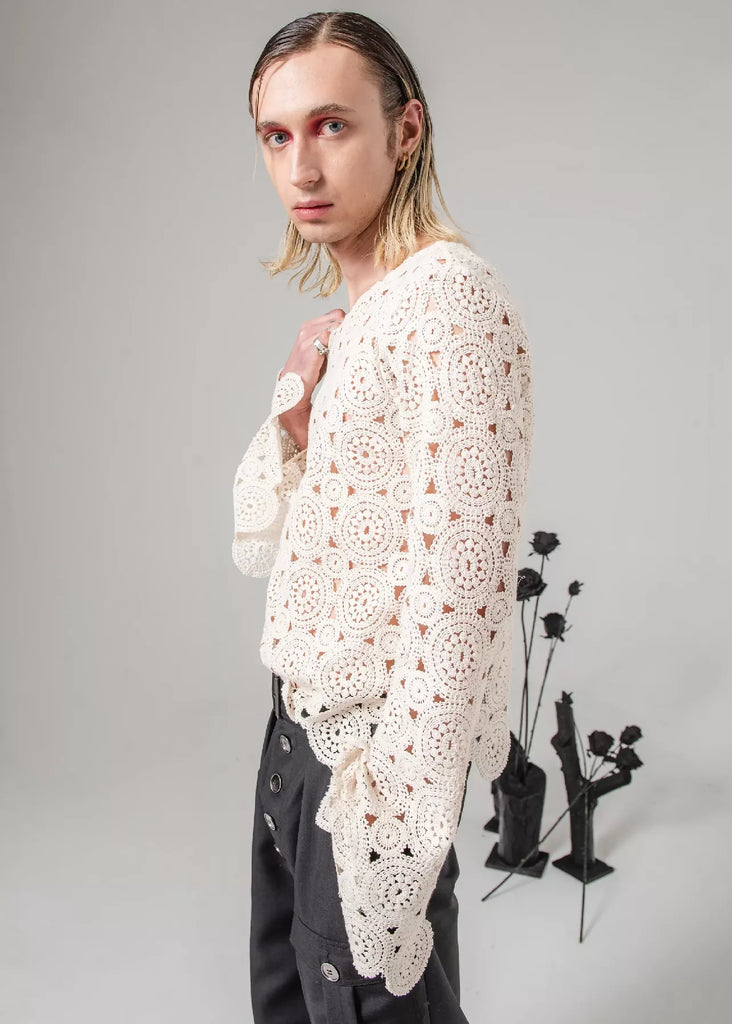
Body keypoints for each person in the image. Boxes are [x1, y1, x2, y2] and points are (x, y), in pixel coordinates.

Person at [231, 11, 534, 1023]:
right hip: (296, 733)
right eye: (278, 135)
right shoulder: (367, 314)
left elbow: (460, 596)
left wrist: (393, 827)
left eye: (332, 125)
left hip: (367, 767)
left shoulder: (451, 300)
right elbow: (310, 541)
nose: (302, 167)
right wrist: (299, 414)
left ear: (406, 130)